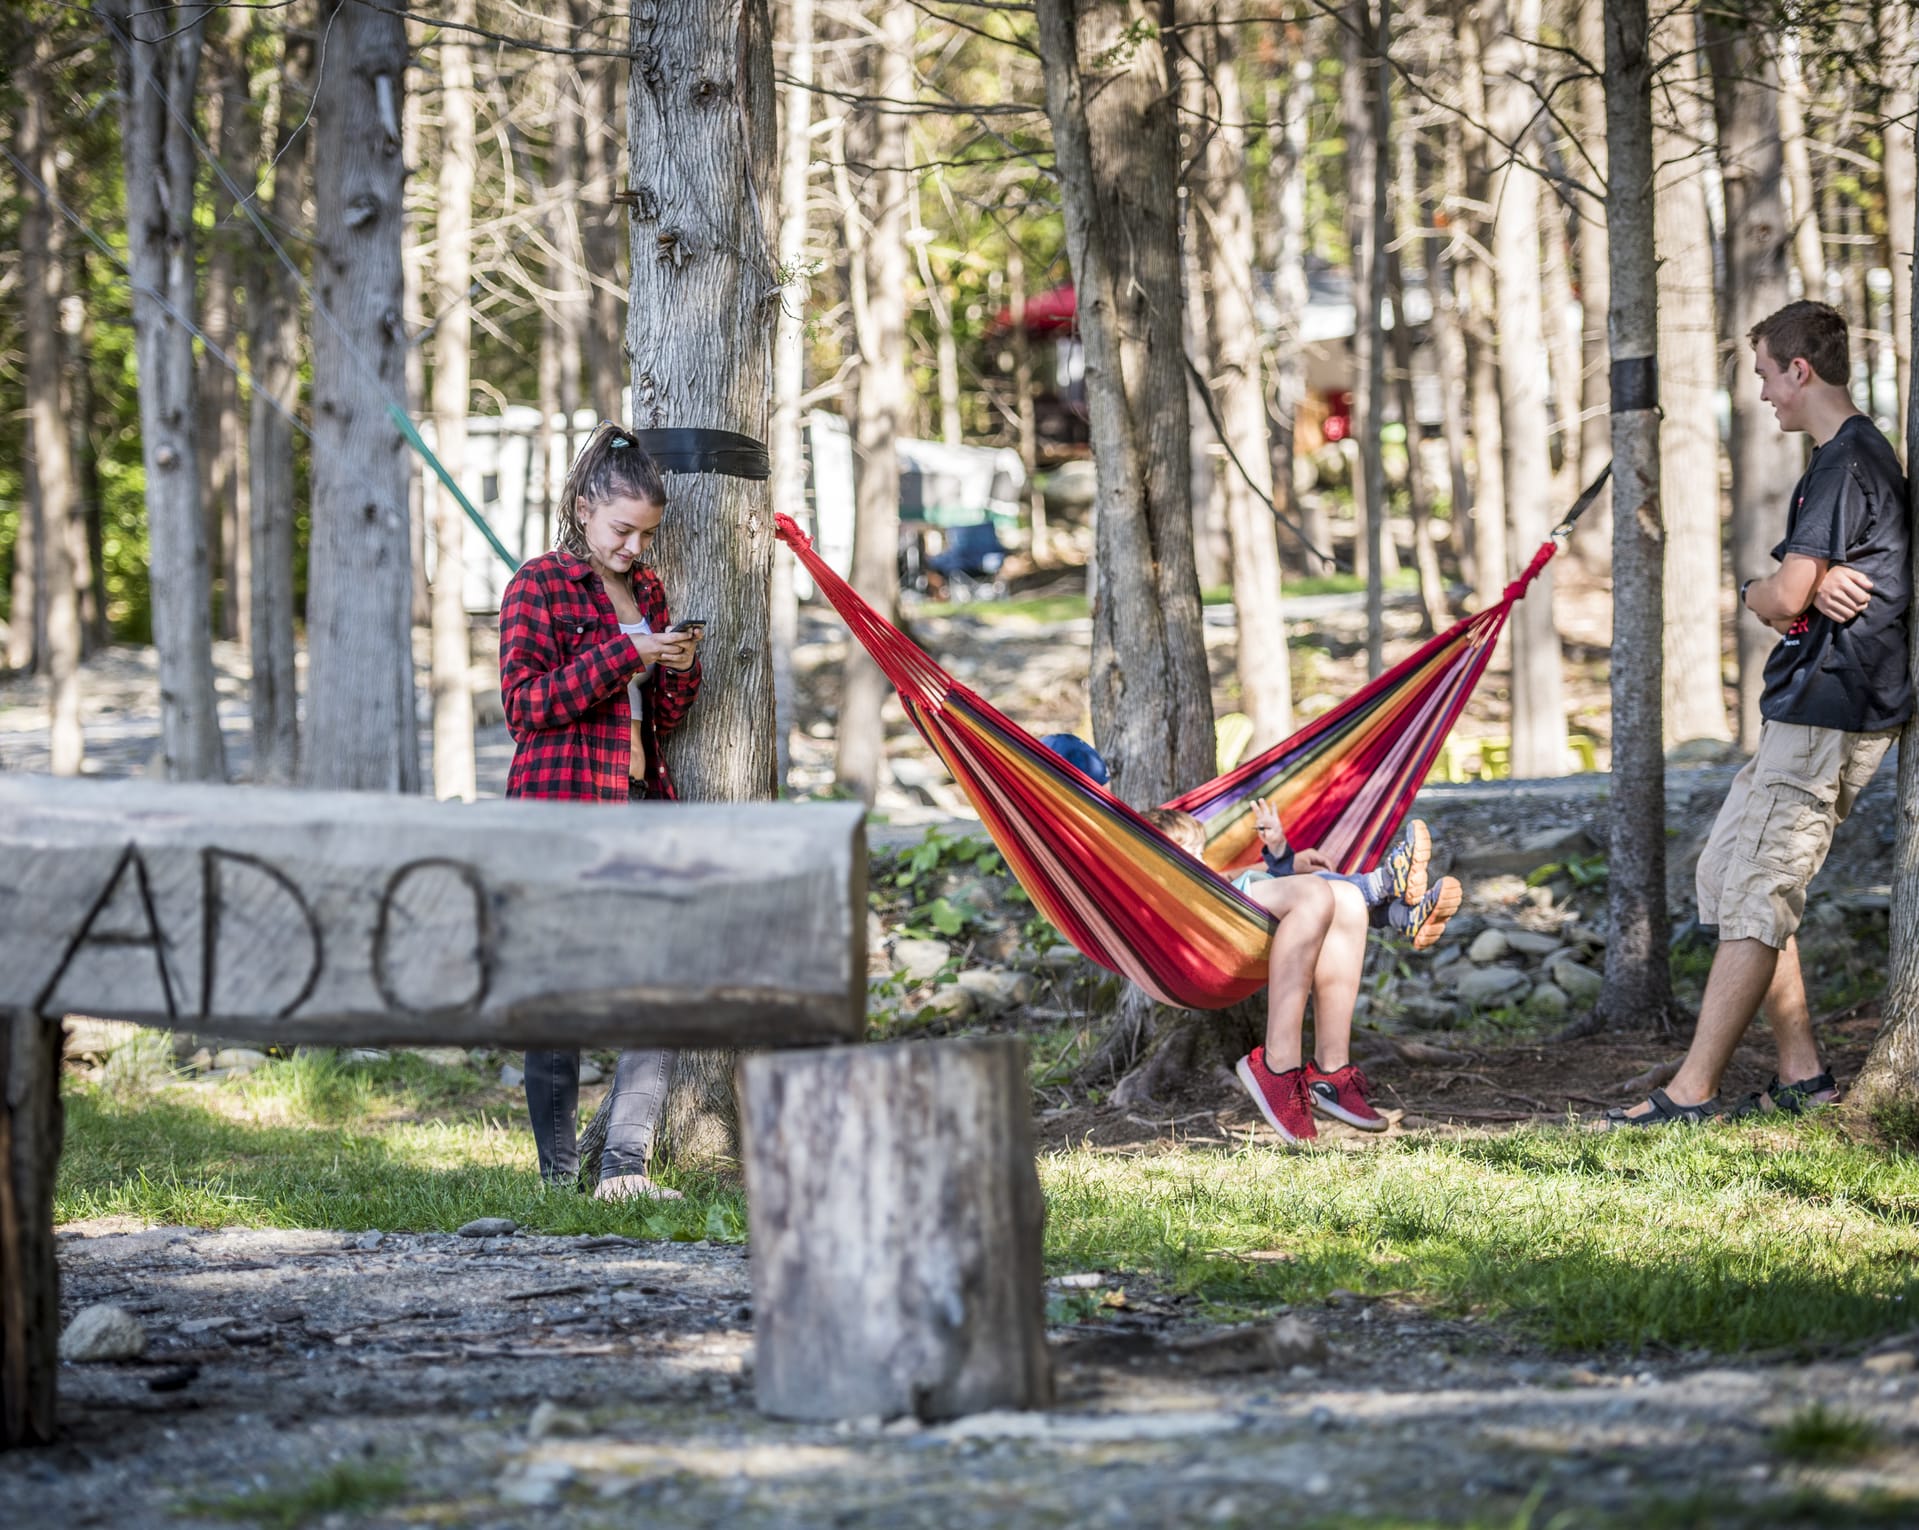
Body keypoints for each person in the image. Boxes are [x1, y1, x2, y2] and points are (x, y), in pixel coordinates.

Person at [1610, 301, 1911, 1126]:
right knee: (1725, 875)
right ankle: (1801, 1074)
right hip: (1809, 704)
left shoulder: (1845, 461)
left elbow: (1781, 595)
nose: (1763, 394)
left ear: (1798, 370)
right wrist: (1799, 591)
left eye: (1765, 376)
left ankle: (1689, 1092)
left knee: (1755, 890)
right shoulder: (1848, 459)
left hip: (1830, 709)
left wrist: (1763, 593)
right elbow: (1803, 591)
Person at [499, 422, 704, 1197]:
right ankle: (558, 1181)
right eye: (621, 530)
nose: (632, 548)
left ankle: (624, 1169)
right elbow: (526, 705)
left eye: (645, 535)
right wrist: (627, 653)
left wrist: (676, 665)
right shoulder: (538, 584)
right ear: (583, 508)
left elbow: (660, 718)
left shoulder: (646, 592)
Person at [1144, 804, 1463, 1143]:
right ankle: (1276, 1067)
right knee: (1314, 891)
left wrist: (1285, 859)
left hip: (1240, 914)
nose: (1197, 859)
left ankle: (1332, 1073)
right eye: (1186, 851)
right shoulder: (1161, 887)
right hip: (1209, 931)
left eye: (1198, 851)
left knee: (1348, 898)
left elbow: (1225, 877)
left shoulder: (1203, 876)